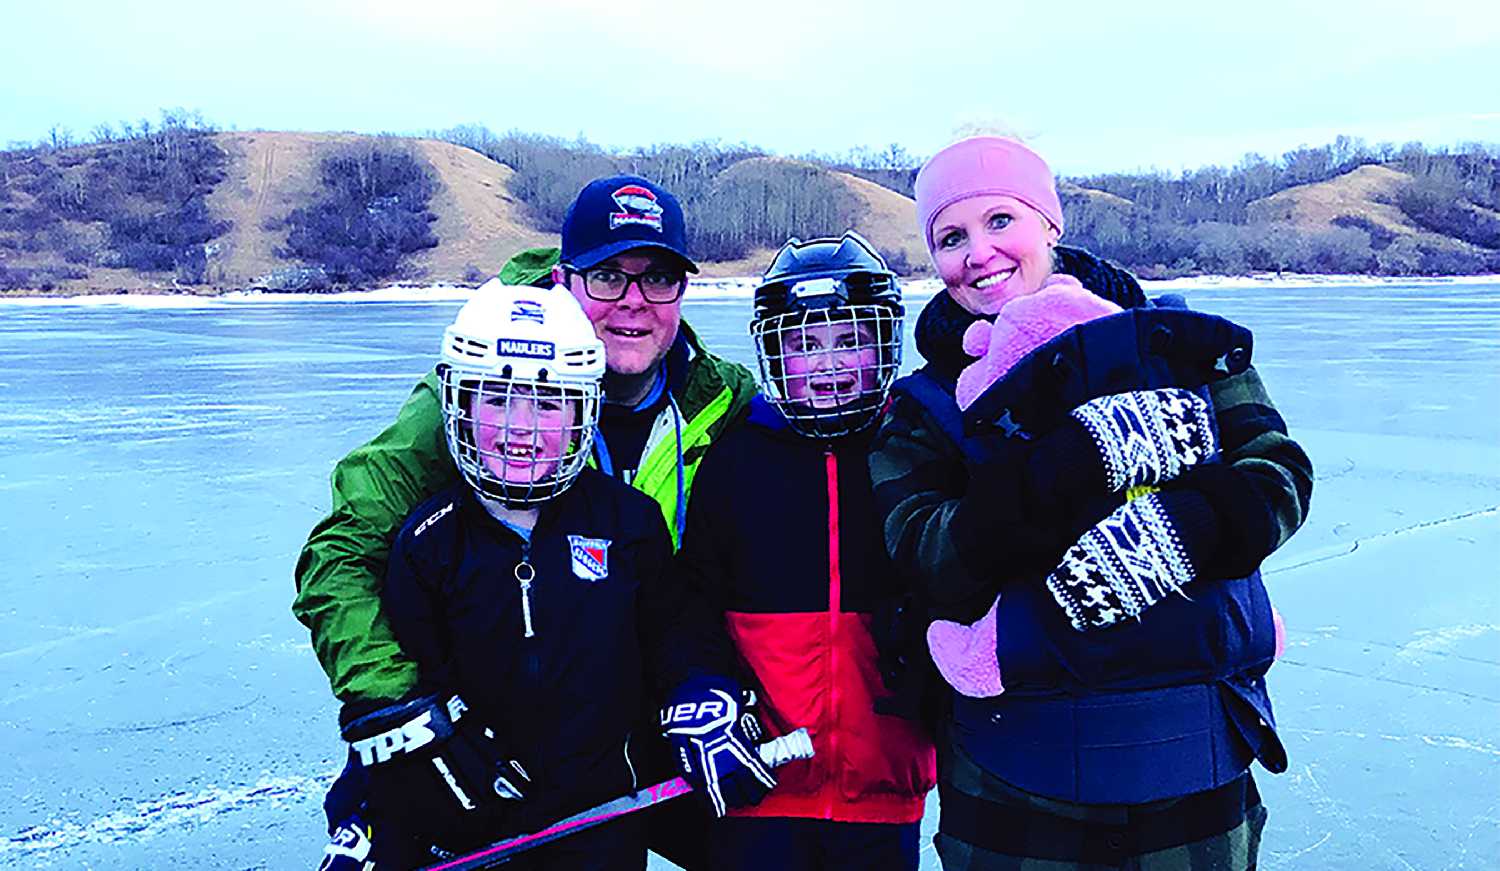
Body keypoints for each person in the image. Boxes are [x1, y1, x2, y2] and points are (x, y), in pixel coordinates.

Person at [867, 136, 1314, 869]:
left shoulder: (1177, 340)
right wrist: (1058, 473)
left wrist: (1185, 530)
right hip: (1013, 780)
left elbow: (1278, 469)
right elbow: (927, 553)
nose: (979, 253)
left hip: (1192, 759)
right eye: (951, 237)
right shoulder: (923, 405)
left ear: (1051, 223)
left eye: (1000, 221)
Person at [294, 175, 759, 868]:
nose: (633, 302)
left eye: (658, 277)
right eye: (607, 276)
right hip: (501, 718)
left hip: (638, 728)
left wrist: (709, 684)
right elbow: (344, 553)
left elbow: (692, 600)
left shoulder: (720, 397)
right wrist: (394, 714)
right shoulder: (486, 382)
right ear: (565, 278)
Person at [674, 233, 937, 871]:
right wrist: (703, 689)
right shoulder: (736, 461)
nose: (827, 364)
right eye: (803, 345)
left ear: (884, 343)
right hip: (762, 788)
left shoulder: (917, 449)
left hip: (883, 793)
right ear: (773, 354)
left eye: (850, 340)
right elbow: (691, 605)